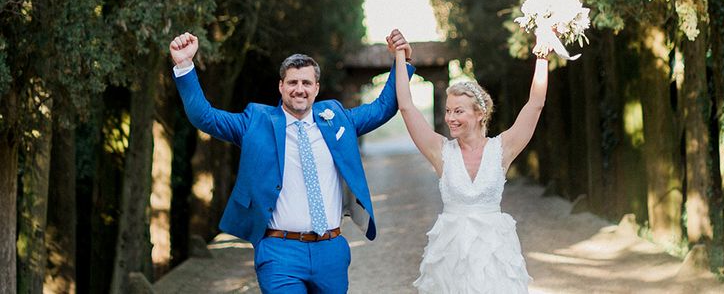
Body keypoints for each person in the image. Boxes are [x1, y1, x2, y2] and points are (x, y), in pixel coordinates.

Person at [169, 31, 414, 294]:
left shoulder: (338, 119)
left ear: (316, 88)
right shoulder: (255, 122)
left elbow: (383, 107)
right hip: (279, 251)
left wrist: (402, 63)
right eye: (293, 82)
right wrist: (184, 65)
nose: (300, 89)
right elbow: (204, 116)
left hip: (331, 249)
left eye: (307, 83)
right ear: (281, 86)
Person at [387, 28, 553, 293]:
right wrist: (400, 58)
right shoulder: (439, 151)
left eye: (459, 111)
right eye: (448, 111)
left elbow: (534, 105)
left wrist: (543, 56)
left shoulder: (503, 149)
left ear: (479, 115)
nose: (450, 118)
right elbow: (406, 106)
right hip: (450, 258)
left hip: (495, 255)